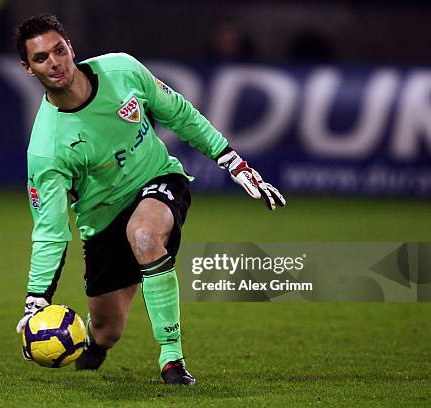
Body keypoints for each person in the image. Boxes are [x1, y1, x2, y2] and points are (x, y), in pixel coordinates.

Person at [14, 14, 286, 385]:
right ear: (28, 69)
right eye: (41, 58)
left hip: (158, 181)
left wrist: (232, 161)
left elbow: (180, 115)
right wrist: (36, 299)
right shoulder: (47, 148)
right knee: (108, 330)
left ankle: (172, 358)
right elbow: (50, 229)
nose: (55, 62)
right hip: (102, 221)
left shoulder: (122, 70)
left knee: (144, 234)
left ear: (71, 47)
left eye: (58, 50)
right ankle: (94, 343)